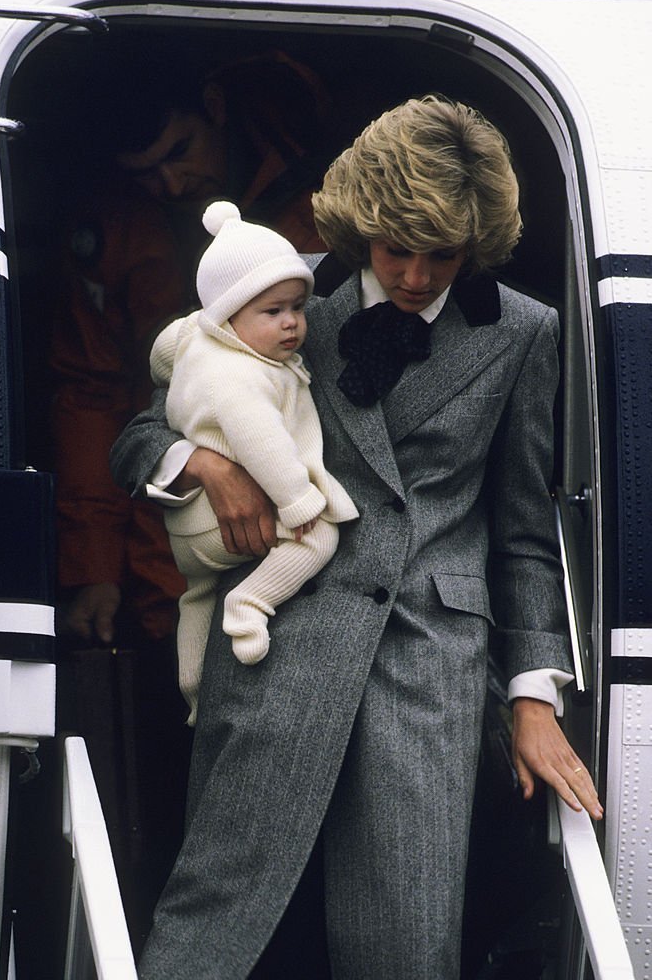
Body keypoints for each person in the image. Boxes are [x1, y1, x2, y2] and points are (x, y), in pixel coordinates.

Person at [110, 94, 603, 979]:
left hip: (428, 667)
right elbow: (137, 437)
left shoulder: (524, 331)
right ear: (357, 228)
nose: (415, 275)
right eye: (393, 249)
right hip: (274, 643)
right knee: (220, 930)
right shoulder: (275, 290)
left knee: (403, 944)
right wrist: (202, 464)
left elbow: (523, 530)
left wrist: (533, 695)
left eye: (441, 255)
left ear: (477, 242)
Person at [48, 40, 334, 955]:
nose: (169, 185)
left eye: (177, 154)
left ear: (214, 101)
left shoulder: (327, 196)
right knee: (191, 817)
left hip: (322, 567)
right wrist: (89, 566)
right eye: (146, 172)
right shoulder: (113, 229)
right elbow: (94, 398)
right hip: (166, 559)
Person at [149, 200, 358, 724]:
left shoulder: (197, 341)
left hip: (188, 530)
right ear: (228, 314)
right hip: (220, 519)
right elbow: (260, 438)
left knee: (196, 597)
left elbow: (166, 351)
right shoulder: (240, 375)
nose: (291, 324)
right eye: (272, 312)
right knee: (319, 537)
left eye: (297, 308)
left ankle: (192, 689)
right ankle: (251, 606)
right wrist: (298, 499)